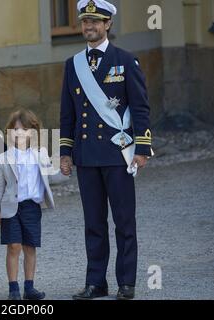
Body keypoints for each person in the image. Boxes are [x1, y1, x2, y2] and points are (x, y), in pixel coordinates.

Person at [59, 0, 153, 300]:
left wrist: (143, 148)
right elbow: (67, 114)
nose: (89, 27)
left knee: (124, 221)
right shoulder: (72, 65)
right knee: (94, 224)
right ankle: (96, 282)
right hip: (87, 156)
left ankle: (127, 282)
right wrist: (65, 152)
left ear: (108, 24)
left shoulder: (125, 60)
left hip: (118, 154)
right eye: (85, 22)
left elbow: (140, 107)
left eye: (95, 22)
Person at [0, 109, 56, 300]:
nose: (20, 133)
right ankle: (13, 289)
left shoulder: (41, 154)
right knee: (14, 246)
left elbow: (51, 174)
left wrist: (65, 165)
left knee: (30, 247)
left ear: (34, 132)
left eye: (25, 129)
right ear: (9, 132)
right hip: (11, 207)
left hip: (31, 207)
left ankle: (29, 287)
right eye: (16, 129)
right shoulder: (3, 158)